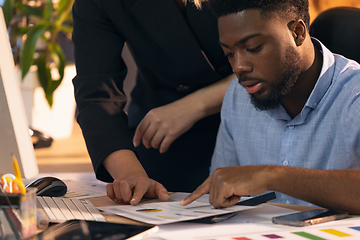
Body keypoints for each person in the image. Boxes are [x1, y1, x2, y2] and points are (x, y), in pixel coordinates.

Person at [180, 0, 360, 214]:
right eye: (229, 53)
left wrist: (271, 176)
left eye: (253, 48)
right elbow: (221, 195)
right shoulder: (238, 96)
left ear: (297, 32)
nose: (239, 67)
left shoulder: (354, 96)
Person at [71, 0, 234, 204]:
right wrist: (131, 175)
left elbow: (273, 58)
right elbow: (97, 95)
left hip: (254, 118)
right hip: (161, 135)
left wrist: (196, 105)